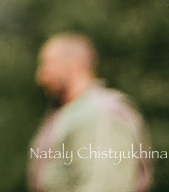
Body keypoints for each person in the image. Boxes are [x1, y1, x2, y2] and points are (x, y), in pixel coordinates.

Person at [29, 33, 152, 192]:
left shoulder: (99, 115)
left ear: (74, 65)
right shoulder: (72, 113)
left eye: (48, 65)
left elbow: (104, 187)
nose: (41, 76)